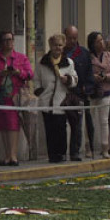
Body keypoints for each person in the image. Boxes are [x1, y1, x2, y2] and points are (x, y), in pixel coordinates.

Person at [0, 31, 32, 166]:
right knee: (2, 125)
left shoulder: (21, 58)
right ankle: (7, 155)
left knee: (13, 125)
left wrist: (18, 72)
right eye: (5, 40)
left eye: (10, 39)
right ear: (1, 42)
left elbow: (30, 74)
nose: (8, 42)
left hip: (14, 96)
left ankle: (13, 155)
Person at [35, 34, 78, 163]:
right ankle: (52, 155)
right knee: (49, 129)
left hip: (61, 101)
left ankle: (62, 153)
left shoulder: (68, 62)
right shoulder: (42, 62)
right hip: (46, 101)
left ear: (63, 46)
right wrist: (39, 91)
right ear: (50, 46)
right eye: (55, 45)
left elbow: (75, 79)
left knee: (61, 128)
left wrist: (68, 80)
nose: (57, 48)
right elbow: (36, 79)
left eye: (60, 45)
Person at [63, 25, 95, 160]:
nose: (72, 41)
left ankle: (75, 152)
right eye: (69, 38)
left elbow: (89, 75)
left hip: (78, 94)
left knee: (77, 125)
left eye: (74, 38)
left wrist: (86, 89)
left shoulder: (83, 53)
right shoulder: (59, 53)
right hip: (62, 94)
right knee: (61, 125)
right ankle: (62, 152)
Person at [88, 31, 110, 159]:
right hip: (92, 92)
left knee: (104, 120)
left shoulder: (109, 56)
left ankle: (105, 148)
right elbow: (84, 72)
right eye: (98, 41)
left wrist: (105, 77)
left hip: (105, 91)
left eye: (102, 40)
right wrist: (93, 77)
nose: (102, 43)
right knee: (90, 120)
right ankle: (88, 147)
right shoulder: (88, 56)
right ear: (93, 44)